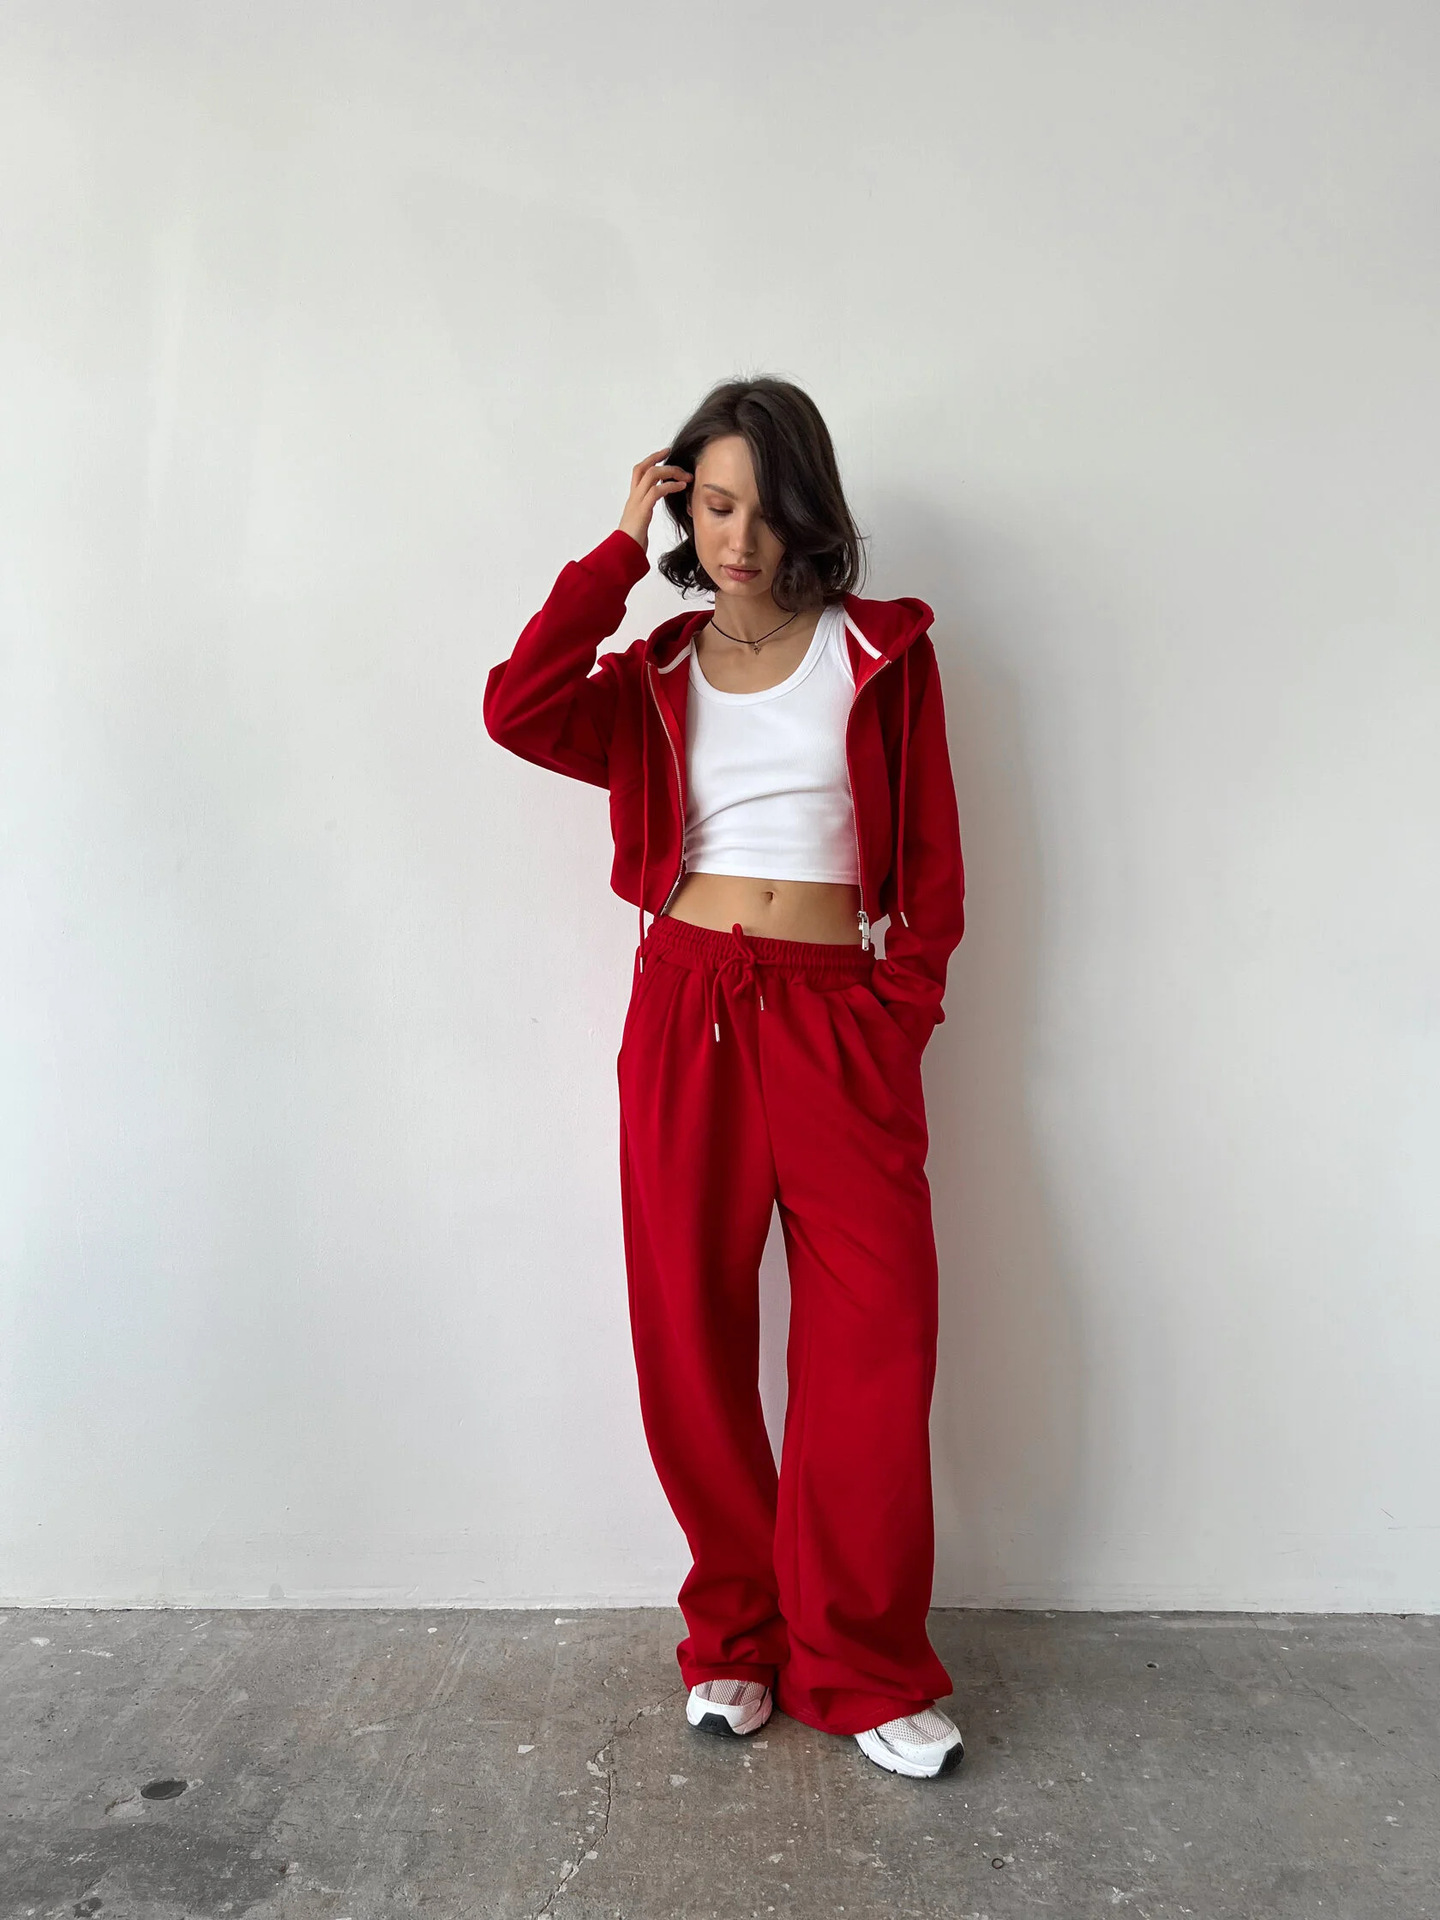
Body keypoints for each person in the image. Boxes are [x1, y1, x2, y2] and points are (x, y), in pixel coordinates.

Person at [484, 377, 967, 1779]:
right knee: (689, 1338)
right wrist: (609, 558)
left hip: (837, 1021)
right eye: (712, 506)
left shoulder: (880, 651)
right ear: (681, 513)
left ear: (811, 511)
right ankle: (737, 1638)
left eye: (765, 508)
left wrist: (898, 1012)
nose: (740, 538)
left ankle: (860, 1663)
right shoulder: (652, 674)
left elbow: (933, 861)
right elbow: (516, 708)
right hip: (687, 1009)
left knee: (875, 1343)